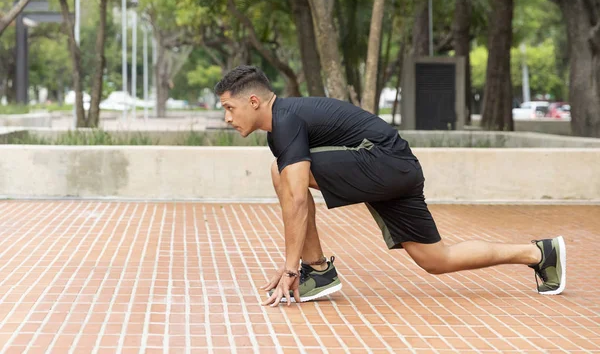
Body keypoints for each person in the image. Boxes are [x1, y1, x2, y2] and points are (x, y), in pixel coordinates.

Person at [213, 65, 566, 307]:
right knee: (436, 259)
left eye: (230, 107)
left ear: (254, 102)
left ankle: (317, 271)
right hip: (395, 168)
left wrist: (291, 267)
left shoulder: (286, 120)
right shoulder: (284, 123)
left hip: (385, 162)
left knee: (285, 174)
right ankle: (539, 253)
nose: (228, 118)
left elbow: (296, 199)